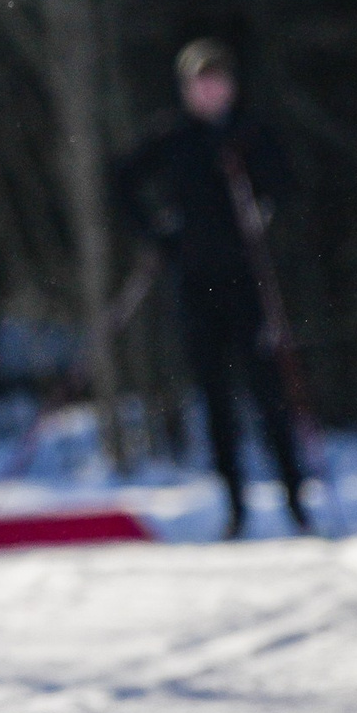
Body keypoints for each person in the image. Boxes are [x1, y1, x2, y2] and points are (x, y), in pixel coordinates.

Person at [113, 39, 310, 538]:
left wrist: (265, 210)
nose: (209, 90)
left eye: (217, 79)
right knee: (215, 399)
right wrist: (157, 237)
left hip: (250, 284)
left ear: (231, 85)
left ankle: (295, 501)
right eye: (200, 82)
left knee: (269, 393)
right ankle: (235, 509)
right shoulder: (174, 137)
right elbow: (121, 181)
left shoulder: (250, 134)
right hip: (195, 286)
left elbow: (285, 189)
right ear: (186, 89)